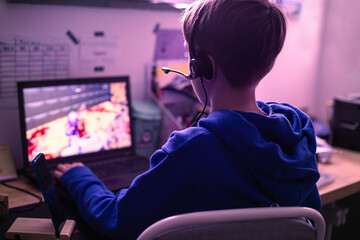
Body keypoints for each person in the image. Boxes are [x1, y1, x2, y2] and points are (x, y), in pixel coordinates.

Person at [54, 0, 321, 239]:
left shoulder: (192, 149)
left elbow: (117, 219)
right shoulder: (297, 139)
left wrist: (80, 178)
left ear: (203, 66)